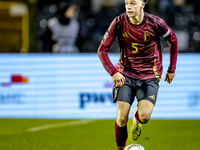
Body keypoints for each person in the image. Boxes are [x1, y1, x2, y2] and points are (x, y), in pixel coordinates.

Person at [97, 0, 178, 149]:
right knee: (121, 118)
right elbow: (102, 50)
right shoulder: (119, 22)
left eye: (133, 3)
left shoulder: (155, 22)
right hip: (126, 75)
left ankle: (137, 118)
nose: (129, 6)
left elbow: (172, 38)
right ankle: (121, 149)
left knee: (144, 117)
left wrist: (171, 69)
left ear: (143, 4)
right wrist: (113, 72)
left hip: (150, 76)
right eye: (127, 3)